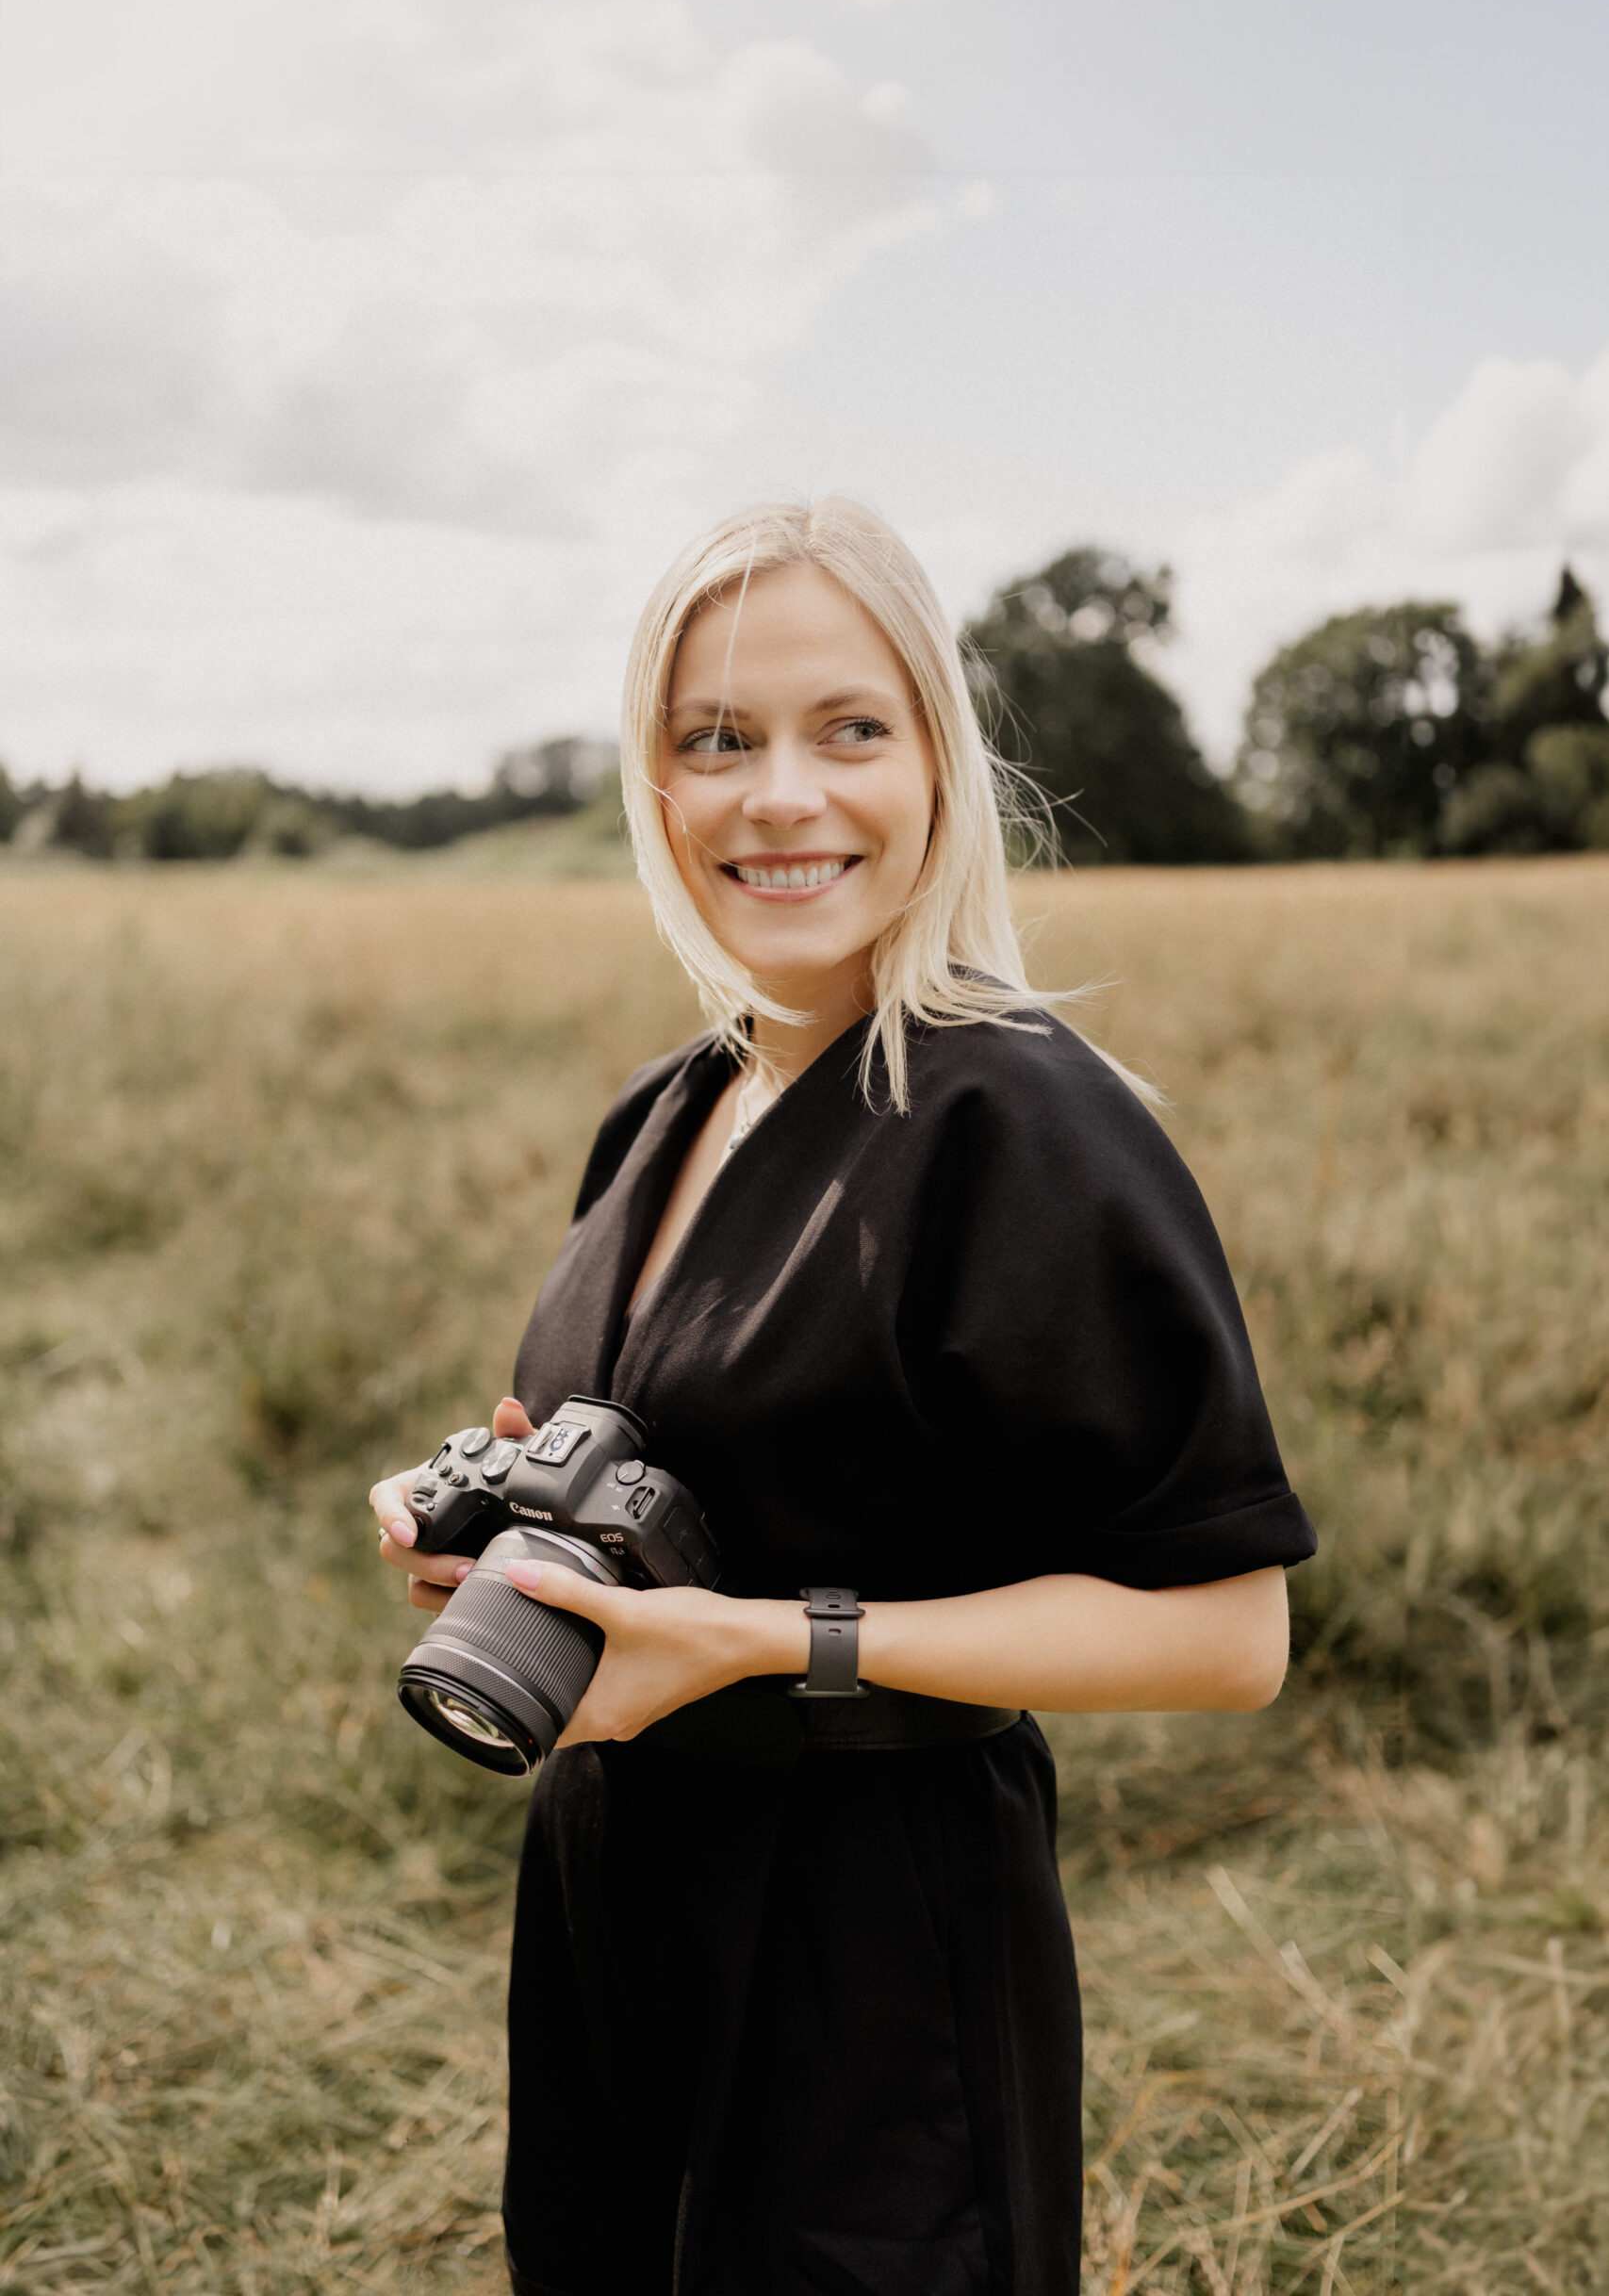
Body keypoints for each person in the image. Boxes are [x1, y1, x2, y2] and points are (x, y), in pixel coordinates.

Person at [369, 498, 1315, 2296]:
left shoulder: (1023, 1123)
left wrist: (771, 1643)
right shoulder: (663, 1108)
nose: (778, 795)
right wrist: (486, 1538)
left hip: (872, 1961)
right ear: (653, 788)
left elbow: (1226, 1632)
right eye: (715, 740)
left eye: (846, 730)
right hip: (611, 1906)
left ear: (941, 768)